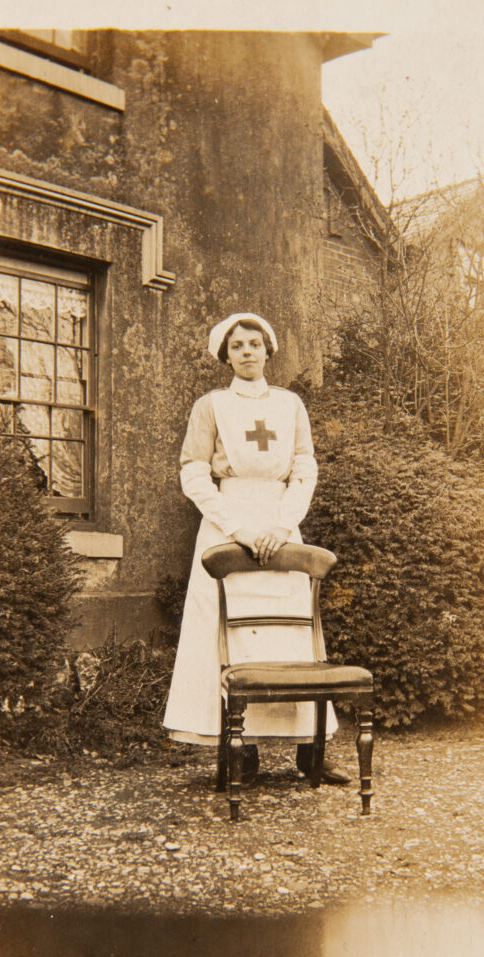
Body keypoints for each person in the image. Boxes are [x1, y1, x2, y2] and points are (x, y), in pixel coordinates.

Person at [163, 313, 349, 785]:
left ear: (269, 350)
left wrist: (284, 524)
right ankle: (238, 752)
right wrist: (237, 528)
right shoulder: (210, 406)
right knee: (228, 636)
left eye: (255, 343)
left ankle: (312, 749)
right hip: (228, 522)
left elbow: (304, 468)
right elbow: (193, 472)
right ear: (225, 355)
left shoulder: (290, 405)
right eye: (237, 345)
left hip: (281, 521)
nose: (247, 351)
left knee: (294, 634)